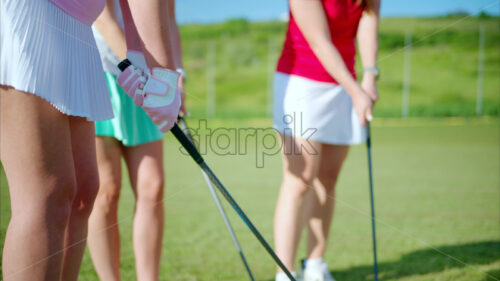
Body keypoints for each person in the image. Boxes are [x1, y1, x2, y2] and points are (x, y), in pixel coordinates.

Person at [0, 0, 181, 280]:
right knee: (46, 196)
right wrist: (164, 75)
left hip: (76, 28)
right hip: (31, 13)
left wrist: (146, 64)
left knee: (83, 195)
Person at [272, 0, 380, 280]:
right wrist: (356, 91)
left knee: (328, 177)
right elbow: (319, 42)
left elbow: (368, 21)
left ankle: (316, 265)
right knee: (300, 178)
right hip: (301, 82)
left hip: (344, 84)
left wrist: (370, 74)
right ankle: (285, 273)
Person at [87, 1, 185, 280]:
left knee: (152, 186)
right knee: (107, 189)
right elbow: (103, 20)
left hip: (151, 77)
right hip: (103, 72)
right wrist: (145, 79)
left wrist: (175, 79)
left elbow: (168, 20)